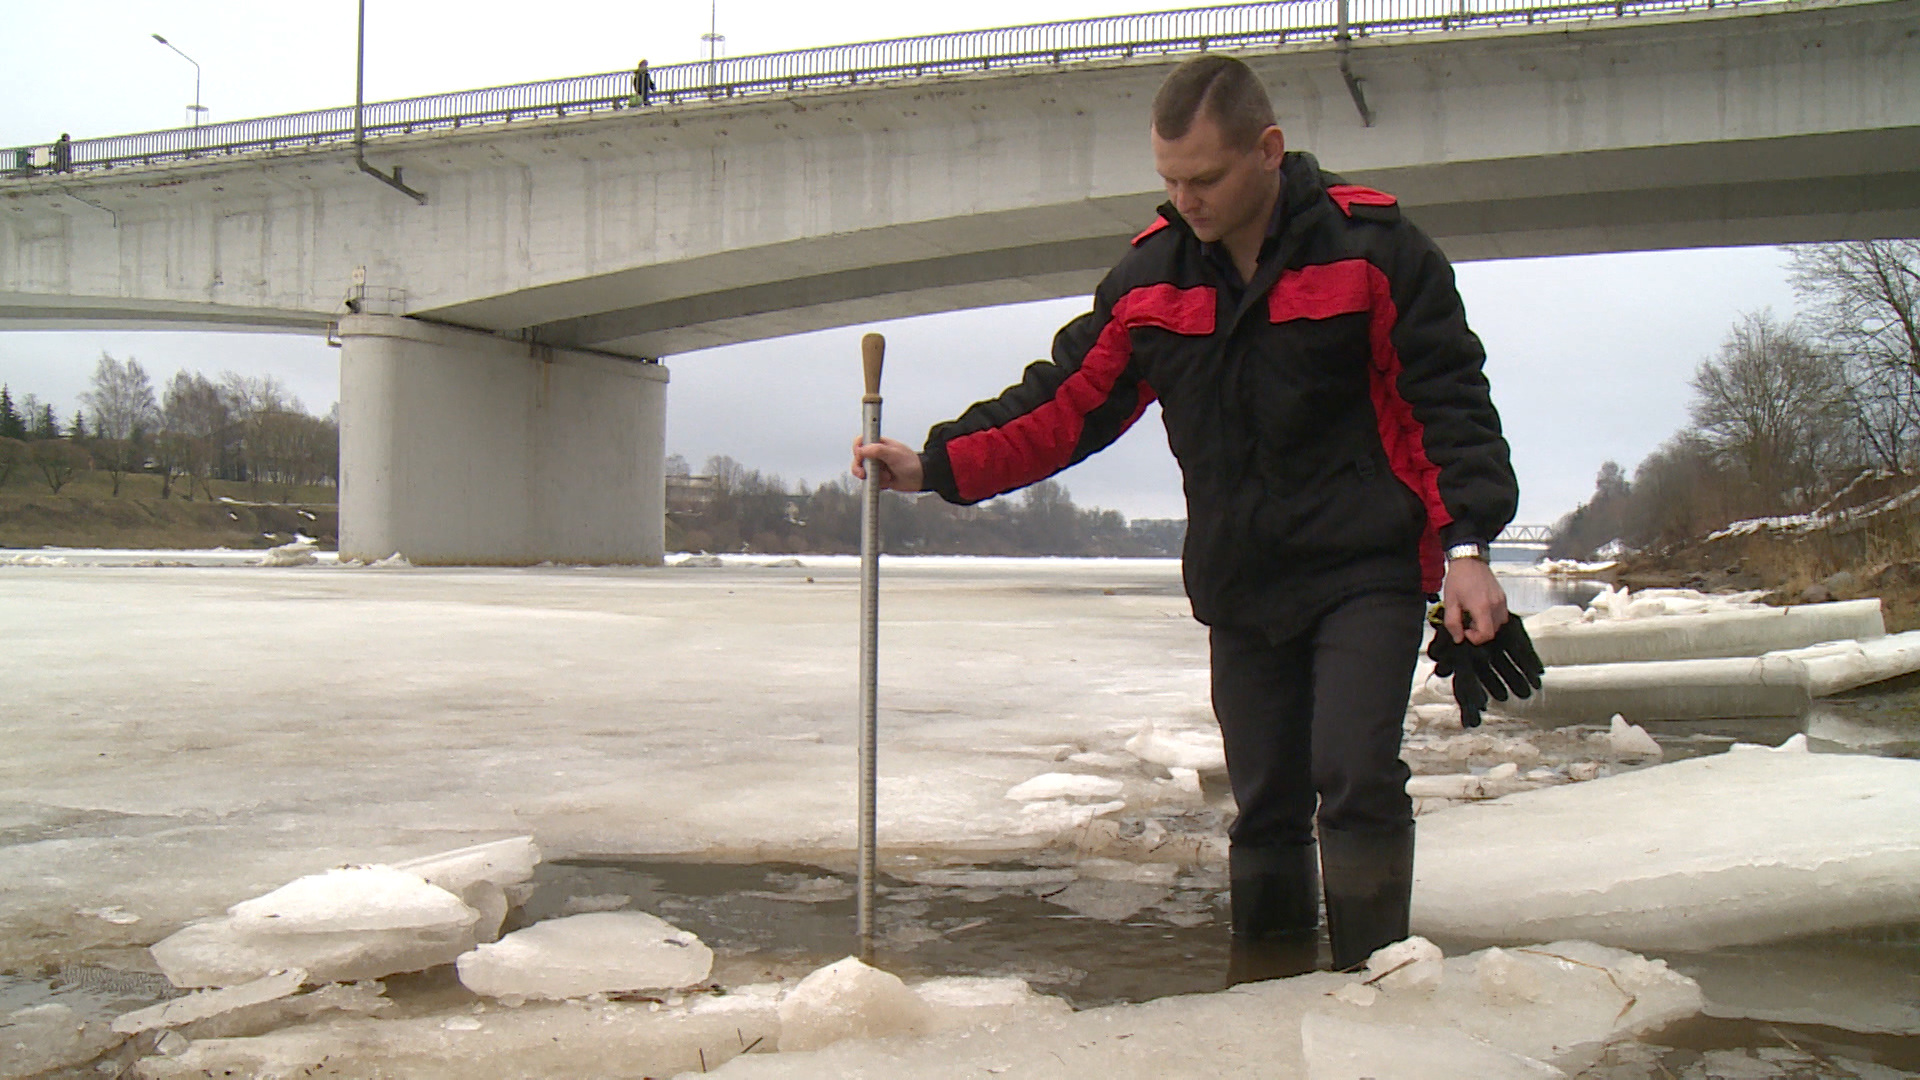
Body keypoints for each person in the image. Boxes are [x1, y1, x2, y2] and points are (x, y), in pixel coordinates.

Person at [853, 54, 1537, 981]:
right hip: (1242, 577)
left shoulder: (1374, 253)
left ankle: (1380, 989)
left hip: (1363, 566)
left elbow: (1443, 404)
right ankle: (1268, 989)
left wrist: (1466, 547)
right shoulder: (1152, 278)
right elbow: (1065, 405)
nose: (1186, 199)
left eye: (1205, 178)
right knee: (1263, 803)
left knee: (1357, 775)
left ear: (1268, 150)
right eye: (1169, 180)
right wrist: (934, 465)